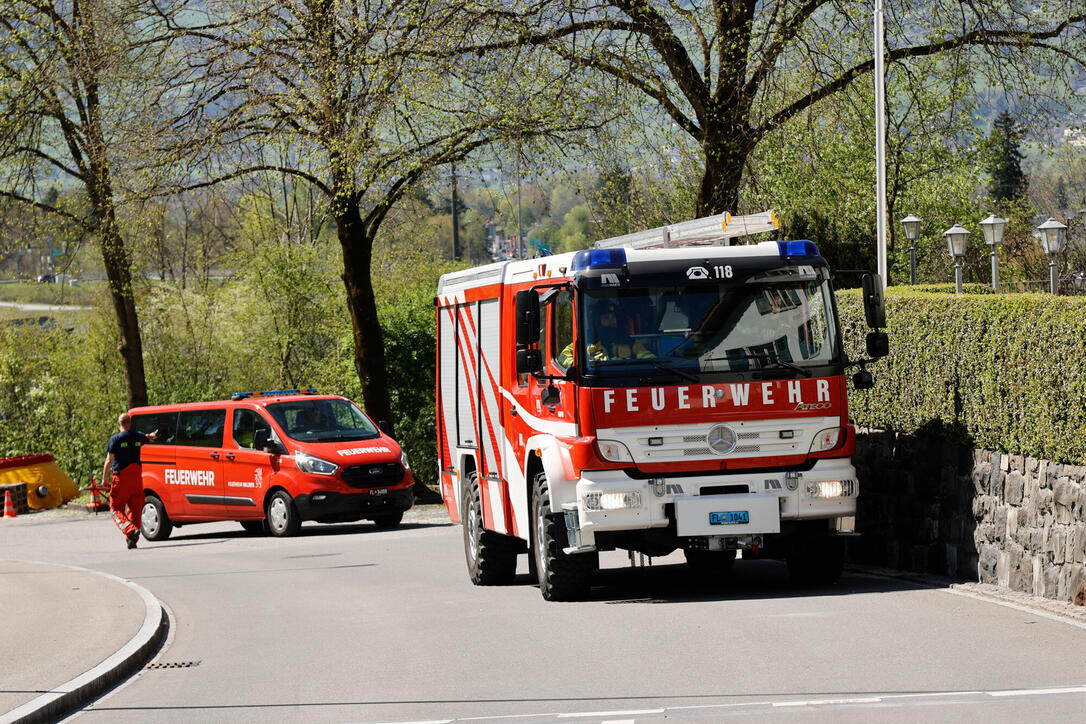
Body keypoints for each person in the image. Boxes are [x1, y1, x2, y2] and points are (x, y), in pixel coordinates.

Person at [103, 413, 156, 549]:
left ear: (118, 423)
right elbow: (146, 438)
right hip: (137, 478)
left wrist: (105, 480)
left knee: (115, 508)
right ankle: (132, 539)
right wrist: (149, 436)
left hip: (121, 478)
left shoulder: (115, 439)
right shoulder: (139, 436)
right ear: (130, 423)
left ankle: (130, 531)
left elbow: (109, 461)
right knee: (135, 509)